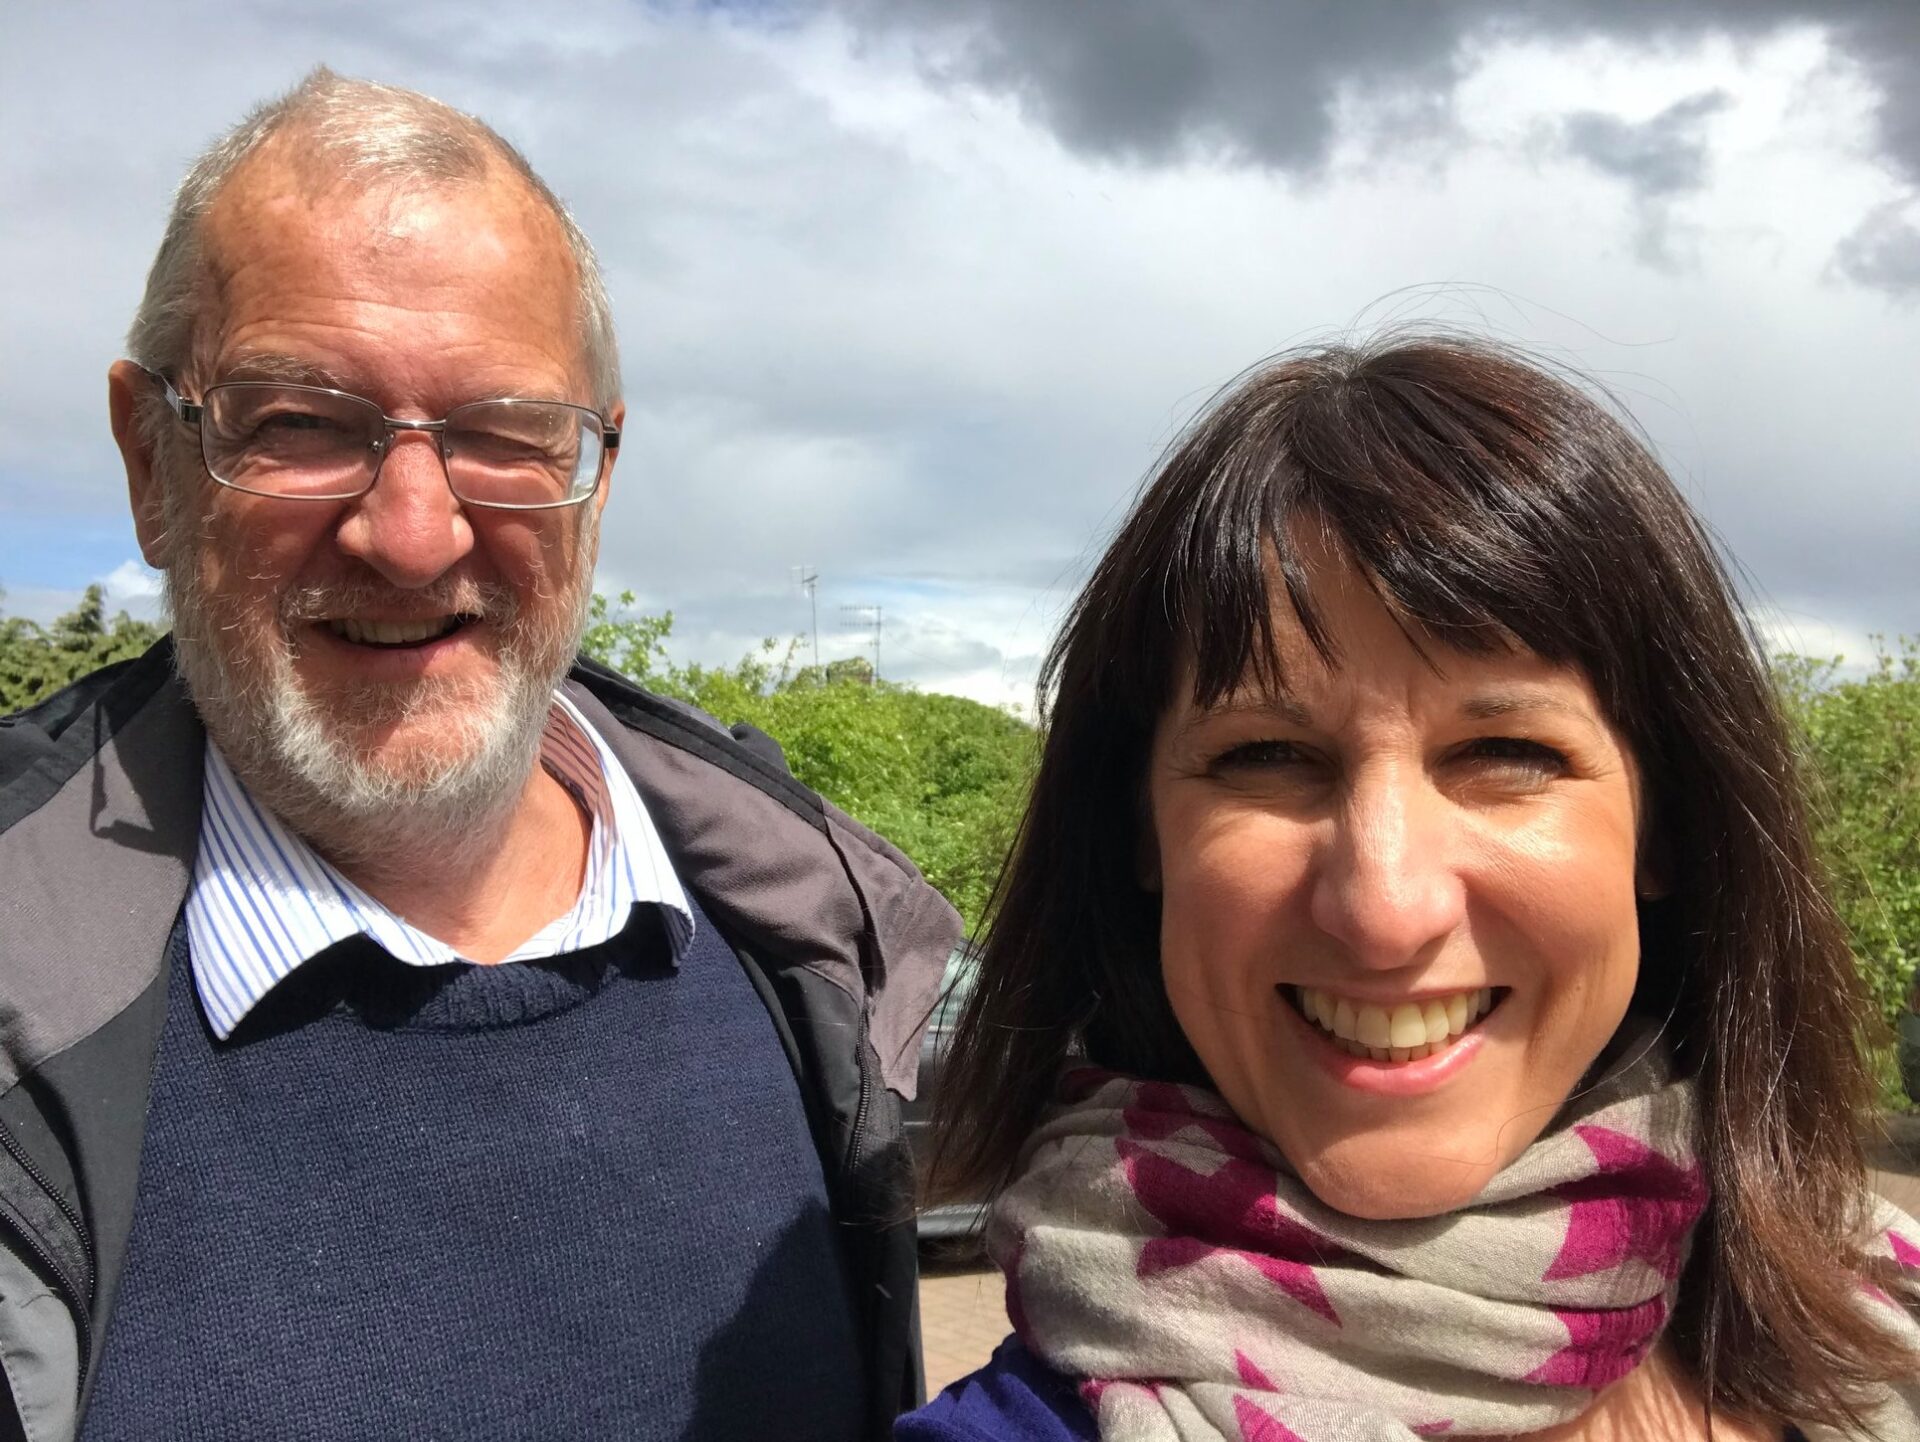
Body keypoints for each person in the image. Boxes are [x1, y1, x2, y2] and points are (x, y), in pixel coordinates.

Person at [0, 70, 957, 1442]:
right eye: (303, 424)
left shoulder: (805, 947)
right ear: (153, 463)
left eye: (504, 433)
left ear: (599, 476)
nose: (411, 533)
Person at [897, 336, 1920, 1441]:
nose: (1384, 909)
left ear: (1662, 827)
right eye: (1265, 755)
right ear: (1141, 828)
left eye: (1507, 751)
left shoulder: (1877, 1311)